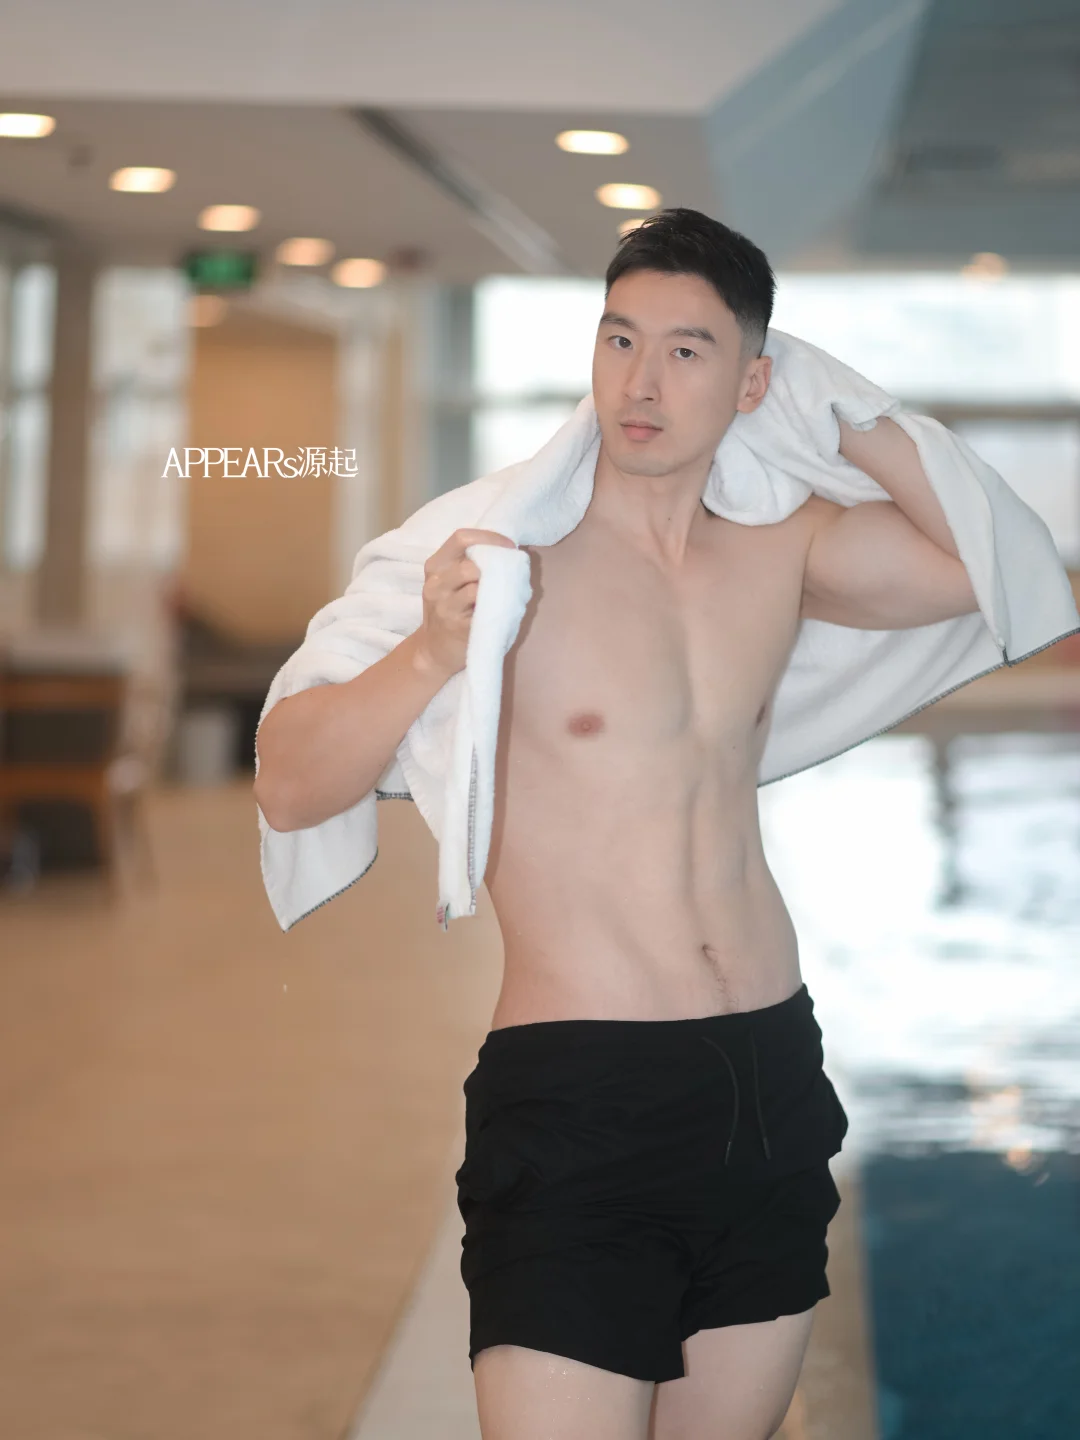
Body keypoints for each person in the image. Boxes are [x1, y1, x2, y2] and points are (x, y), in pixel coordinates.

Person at [254, 209, 982, 1440]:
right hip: (583, 1094)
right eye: (620, 339)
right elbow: (288, 782)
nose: (640, 383)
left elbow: (984, 564)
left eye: (688, 351)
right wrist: (431, 652)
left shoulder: (781, 549)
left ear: (754, 382)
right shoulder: (497, 554)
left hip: (770, 1079)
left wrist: (841, 407)